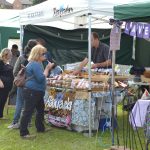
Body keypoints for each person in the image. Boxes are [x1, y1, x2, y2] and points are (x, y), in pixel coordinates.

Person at [20, 44, 54, 139]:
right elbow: (40, 78)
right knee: (28, 112)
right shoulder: (35, 64)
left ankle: (40, 128)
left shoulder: (37, 63)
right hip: (32, 91)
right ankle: (23, 133)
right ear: (38, 54)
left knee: (40, 110)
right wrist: (47, 68)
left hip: (36, 91)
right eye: (43, 53)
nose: (45, 55)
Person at [8, 39, 37, 129]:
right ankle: (26, 123)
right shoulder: (35, 59)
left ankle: (15, 122)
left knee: (20, 103)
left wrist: (20, 78)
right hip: (31, 85)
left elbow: (14, 71)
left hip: (22, 84)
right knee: (26, 104)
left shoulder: (21, 57)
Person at [0, 48, 14, 119]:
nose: (11, 55)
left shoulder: (7, 62)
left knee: (3, 100)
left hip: (7, 85)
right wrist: (0, 81)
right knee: (1, 99)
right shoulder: (0, 62)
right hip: (2, 85)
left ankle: (1, 115)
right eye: (10, 54)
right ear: (6, 54)